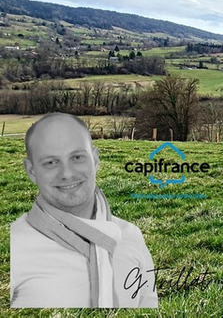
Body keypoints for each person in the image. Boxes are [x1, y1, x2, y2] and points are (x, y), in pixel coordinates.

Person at [10, 113, 158, 308]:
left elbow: (149, 308)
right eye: (51, 162)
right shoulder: (15, 244)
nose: (67, 174)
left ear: (95, 160)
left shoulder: (131, 236)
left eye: (77, 157)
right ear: (31, 171)